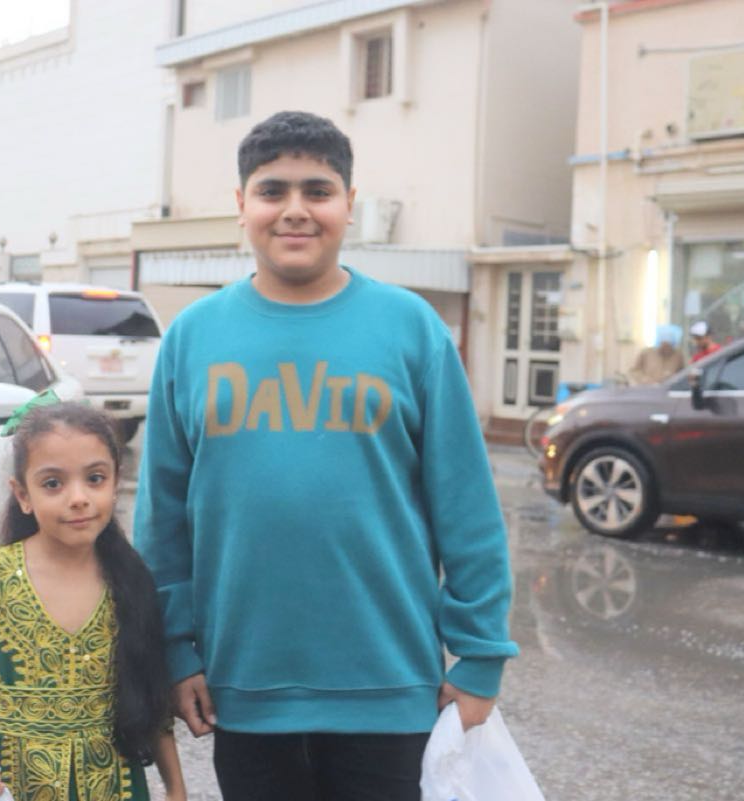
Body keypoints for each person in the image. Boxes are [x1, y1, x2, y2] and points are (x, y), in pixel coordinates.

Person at [134, 110, 518, 800]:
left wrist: (481, 655)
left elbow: (467, 507)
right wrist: (175, 650)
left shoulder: (411, 327)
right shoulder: (193, 337)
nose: (295, 210)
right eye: (272, 190)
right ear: (242, 205)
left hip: (391, 687)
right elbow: (162, 518)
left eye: (318, 190)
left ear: (349, 203)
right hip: (244, 688)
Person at [0, 399, 186, 801]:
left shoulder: (132, 582)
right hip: (10, 784)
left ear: (116, 483)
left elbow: (151, 694)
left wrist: (175, 787)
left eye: (95, 478)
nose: (78, 497)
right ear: (22, 494)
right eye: (53, 484)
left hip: (113, 785)